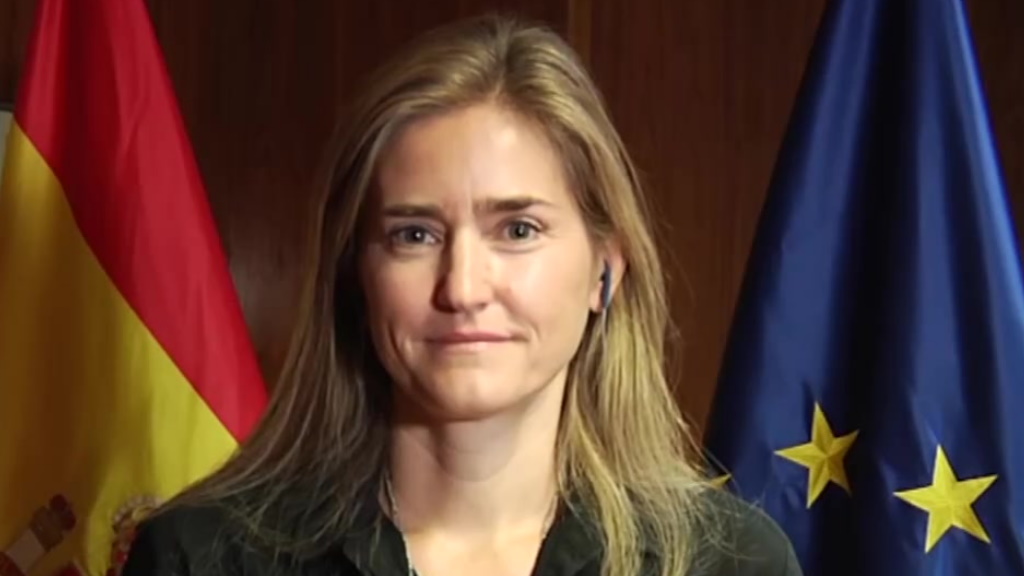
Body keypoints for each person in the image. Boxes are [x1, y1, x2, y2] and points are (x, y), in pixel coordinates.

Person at [122, 14, 801, 576]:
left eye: (518, 229)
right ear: (356, 274)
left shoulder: (731, 563)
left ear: (606, 271)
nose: (463, 288)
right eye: (414, 235)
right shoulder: (201, 557)